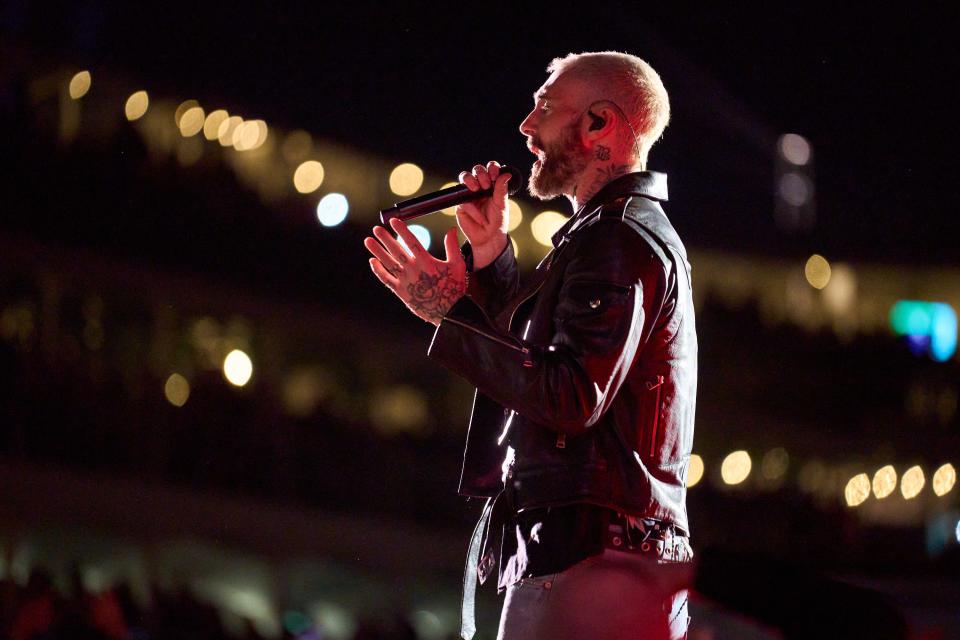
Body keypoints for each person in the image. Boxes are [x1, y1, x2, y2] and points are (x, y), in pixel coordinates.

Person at [364, 51, 697, 640]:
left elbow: (570, 393)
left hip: (593, 565)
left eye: (544, 107)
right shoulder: (608, 232)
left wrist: (451, 312)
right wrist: (491, 259)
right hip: (604, 562)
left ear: (600, 124)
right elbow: (546, 363)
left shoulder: (618, 237)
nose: (526, 126)